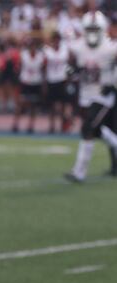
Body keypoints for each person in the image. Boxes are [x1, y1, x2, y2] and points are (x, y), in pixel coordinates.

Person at [66, 11, 117, 182]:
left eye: (96, 29)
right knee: (96, 130)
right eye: (90, 29)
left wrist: (113, 83)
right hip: (85, 94)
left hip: (103, 95)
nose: (93, 33)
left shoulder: (111, 47)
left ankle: (79, 172)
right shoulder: (78, 47)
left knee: (88, 128)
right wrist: (72, 73)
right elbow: (71, 69)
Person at [12, 38, 45, 134]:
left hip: (36, 82)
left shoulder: (40, 56)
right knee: (21, 104)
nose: (32, 48)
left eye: (34, 46)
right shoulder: (23, 55)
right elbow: (18, 69)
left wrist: (43, 84)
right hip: (25, 82)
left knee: (33, 105)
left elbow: (43, 70)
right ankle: (16, 124)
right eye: (31, 46)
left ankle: (31, 125)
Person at [44, 31, 72, 134]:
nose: (56, 41)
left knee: (63, 104)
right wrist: (45, 82)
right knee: (52, 105)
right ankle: (52, 125)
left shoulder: (64, 50)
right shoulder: (47, 51)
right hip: (51, 79)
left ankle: (63, 125)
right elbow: (44, 67)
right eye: (54, 39)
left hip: (62, 79)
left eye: (57, 39)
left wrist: (69, 78)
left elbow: (69, 64)